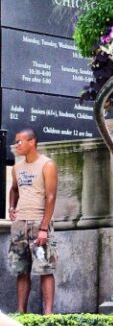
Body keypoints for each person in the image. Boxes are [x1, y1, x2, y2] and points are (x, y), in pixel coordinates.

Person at [7, 129, 58, 314]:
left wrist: (44, 228)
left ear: (32, 142)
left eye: (20, 142)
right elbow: (14, 189)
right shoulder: (17, 167)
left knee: (45, 268)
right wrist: (12, 208)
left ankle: (48, 315)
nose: (16, 145)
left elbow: (51, 197)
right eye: (16, 142)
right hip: (20, 224)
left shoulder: (47, 164)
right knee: (21, 270)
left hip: (39, 223)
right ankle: (21, 313)